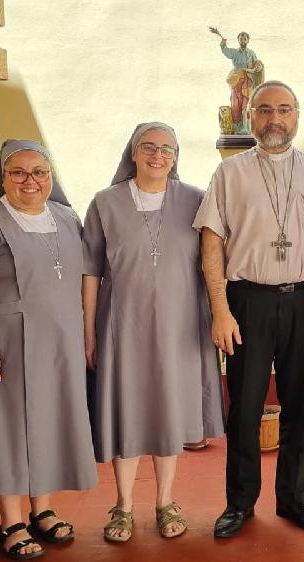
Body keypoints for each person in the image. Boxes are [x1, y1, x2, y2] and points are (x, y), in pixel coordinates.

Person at [193, 80, 304, 538]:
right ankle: (239, 504)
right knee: (245, 407)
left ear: (297, 116)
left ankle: (295, 500)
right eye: (265, 110)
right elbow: (211, 242)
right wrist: (220, 310)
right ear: (250, 116)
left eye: (284, 109)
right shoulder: (229, 173)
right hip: (247, 301)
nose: (275, 119)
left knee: (299, 405)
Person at [0, 140, 96, 560]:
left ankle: (41, 509)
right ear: (3, 177)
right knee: (8, 429)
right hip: (4, 344)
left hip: (59, 344)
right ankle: (11, 522)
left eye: (39, 172)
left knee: (48, 422)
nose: (30, 181)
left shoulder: (66, 217)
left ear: (51, 177)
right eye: (18, 172)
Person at [83, 122, 225, 542]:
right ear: (133, 152)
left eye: (167, 149)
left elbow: (212, 262)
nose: (157, 155)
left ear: (176, 156)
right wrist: (89, 332)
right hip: (121, 326)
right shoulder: (105, 203)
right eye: (148, 147)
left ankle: (165, 502)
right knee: (125, 410)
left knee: (167, 412)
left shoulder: (196, 201)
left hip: (179, 327)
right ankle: (123, 505)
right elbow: (90, 271)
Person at [210, 27, 263, 135]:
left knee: (246, 103)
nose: (243, 41)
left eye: (245, 39)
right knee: (235, 103)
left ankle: (245, 127)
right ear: (238, 40)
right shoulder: (234, 52)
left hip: (248, 81)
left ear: (248, 40)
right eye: (241, 39)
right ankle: (236, 126)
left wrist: (259, 66)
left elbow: (257, 63)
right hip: (236, 80)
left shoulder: (251, 53)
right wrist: (223, 43)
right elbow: (226, 51)